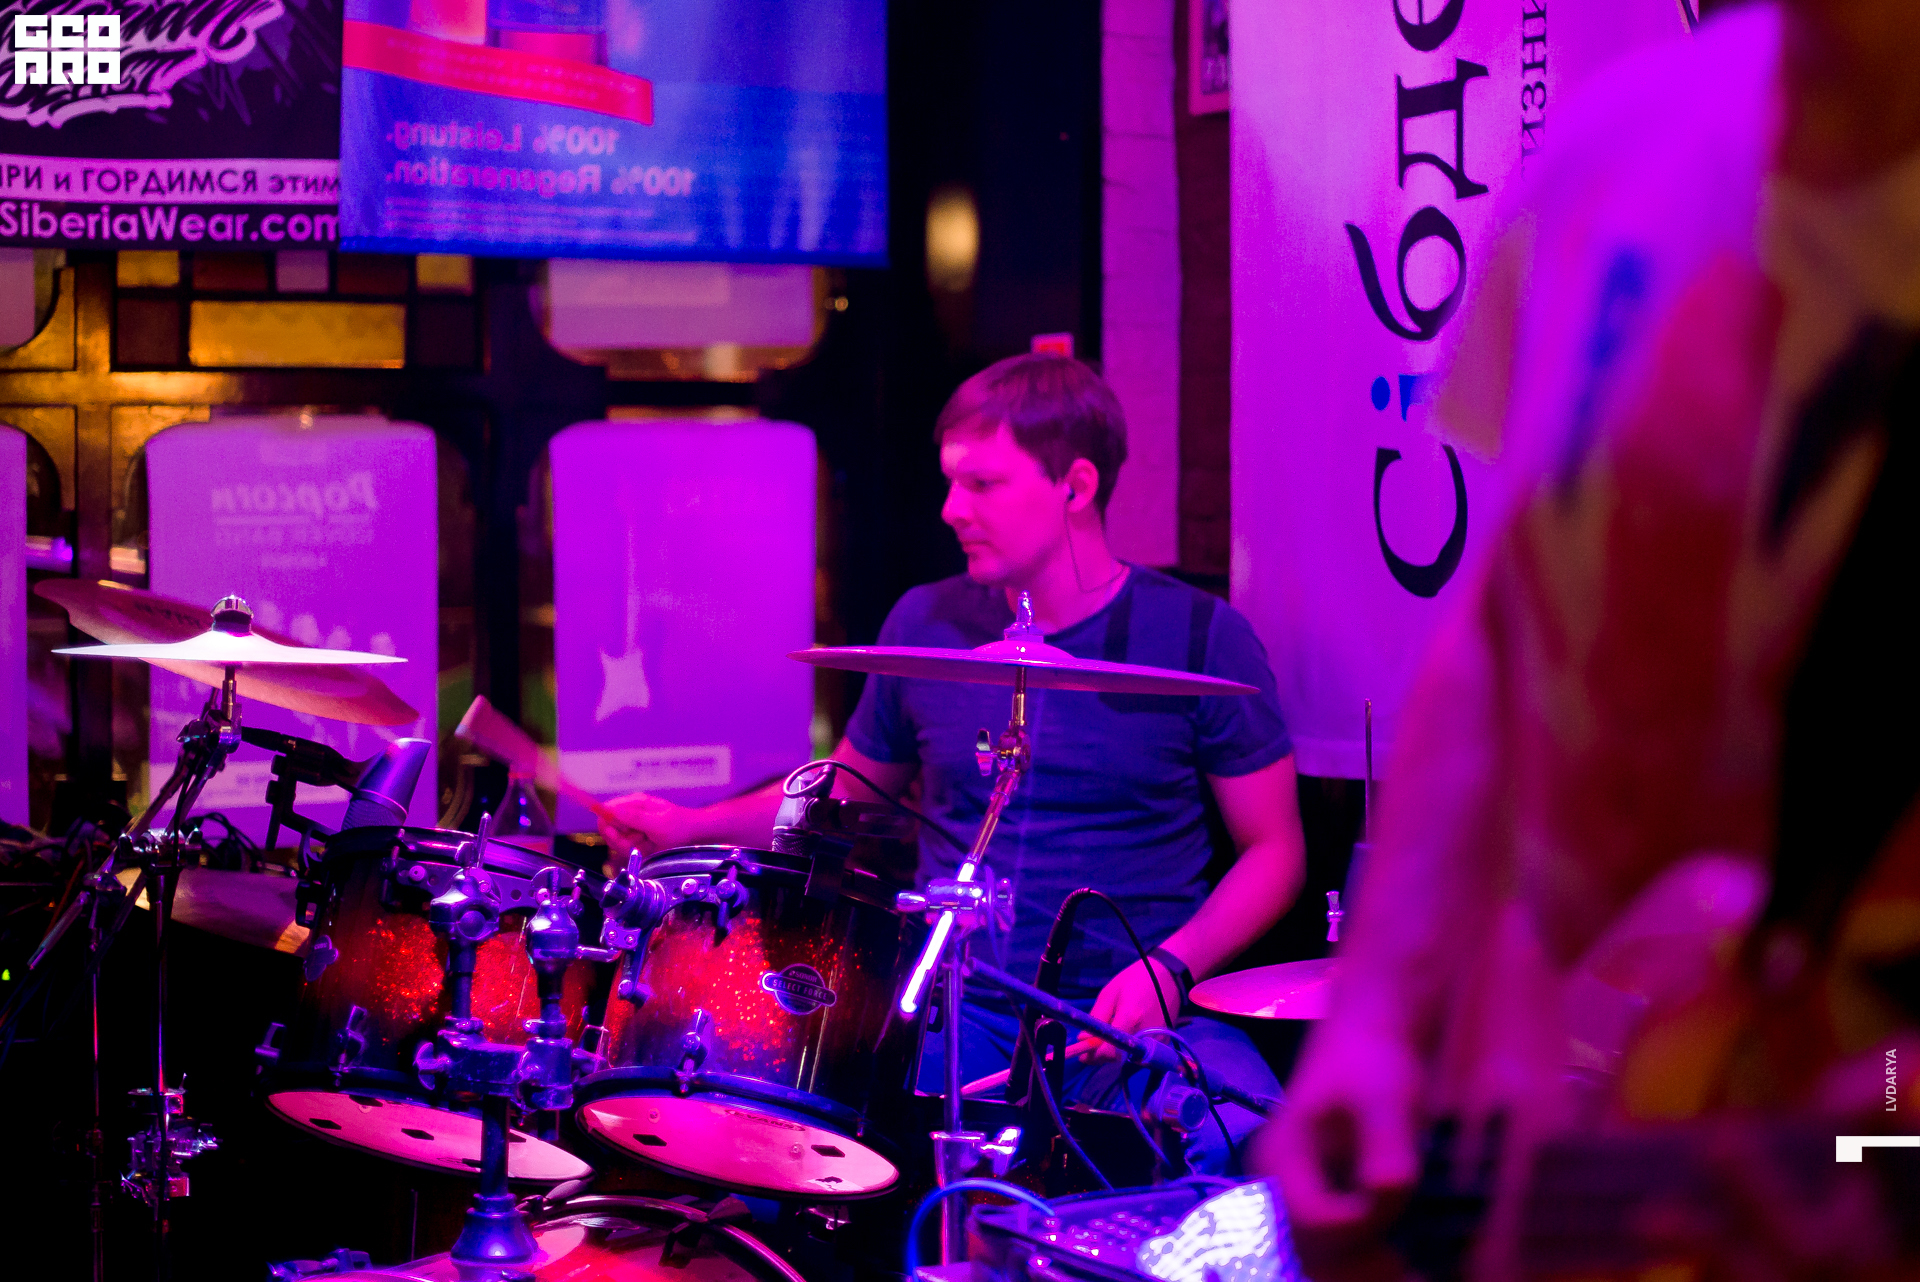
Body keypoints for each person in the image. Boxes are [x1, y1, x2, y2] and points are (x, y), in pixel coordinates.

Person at [1258, 0, 1920, 1276]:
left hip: (1861, 1129)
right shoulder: (1617, 148)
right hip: (1563, 1149)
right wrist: (1381, 1013)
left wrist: (1887, 1154)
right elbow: (1509, 620)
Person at [601, 353, 1308, 1173]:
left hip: (1133, 1015)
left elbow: (1275, 850)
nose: (950, 509)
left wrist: (1172, 969)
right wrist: (689, 827)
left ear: (1076, 486)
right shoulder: (926, 623)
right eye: (949, 483)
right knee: (780, 1134)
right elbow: (840, 791)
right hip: (958, 1014)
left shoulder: (1198, 637)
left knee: (1259, 1152)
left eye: (982, 485)